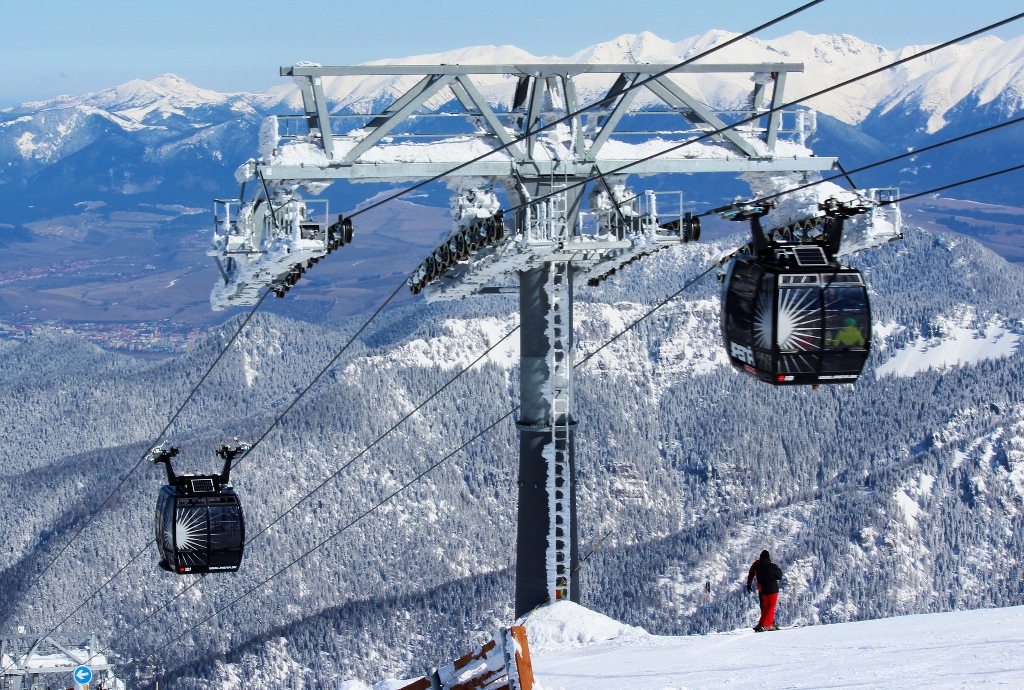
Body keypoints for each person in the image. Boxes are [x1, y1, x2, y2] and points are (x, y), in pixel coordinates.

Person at [746, 550, 783, 632]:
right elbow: (779, 576)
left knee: (765, 607)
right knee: (771, 606)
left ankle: (761, 624)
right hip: (772, 588)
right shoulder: (771, 565)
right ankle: (768, 624)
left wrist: (749, 584)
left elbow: (751, 573)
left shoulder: (757, 565)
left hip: (762, 589)